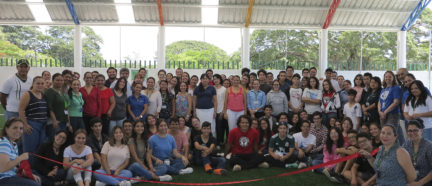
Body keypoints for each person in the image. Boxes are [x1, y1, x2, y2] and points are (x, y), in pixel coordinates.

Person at [0, 118, 41, 185]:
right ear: (6, 129)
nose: (18, 131)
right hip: (3, 179)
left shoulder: (14, 144)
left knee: (37, 178)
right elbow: (3, 168)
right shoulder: (4, 142)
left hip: (12, 176)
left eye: (21, 128)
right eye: (15, 128)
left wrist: (29, 175)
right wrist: (20, 158)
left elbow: (14, 167)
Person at [18, 76, 47, 162]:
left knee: (39, 149)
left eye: (42, 83)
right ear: (33, 84)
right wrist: (25, 125)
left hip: (42, 125)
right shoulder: (27, 94)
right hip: (32, 124)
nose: (40, 85)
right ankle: (27, 169)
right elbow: (20, 110)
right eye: (38, 83)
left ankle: (34, 169)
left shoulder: (43, 95)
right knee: (30, 149)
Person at [403, 119, 432, 186]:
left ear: (421, 131)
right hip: (410, 181)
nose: (412, 133)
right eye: (410, 131)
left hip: (426, 182)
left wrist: (419, 183)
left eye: (415, 130)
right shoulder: (406, 145)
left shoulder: (429, 146)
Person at [213, 74, 228, 146]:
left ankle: (219, 143)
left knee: (220, 128)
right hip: (212, 111)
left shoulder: (224, 89)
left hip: (221, 111)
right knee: (213, 128)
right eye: (214, 79)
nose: (216, 80)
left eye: (217, 79)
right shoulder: (211, 88)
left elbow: (226, 101)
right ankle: (214, 142)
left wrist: (223, 111)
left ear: (220, 79)